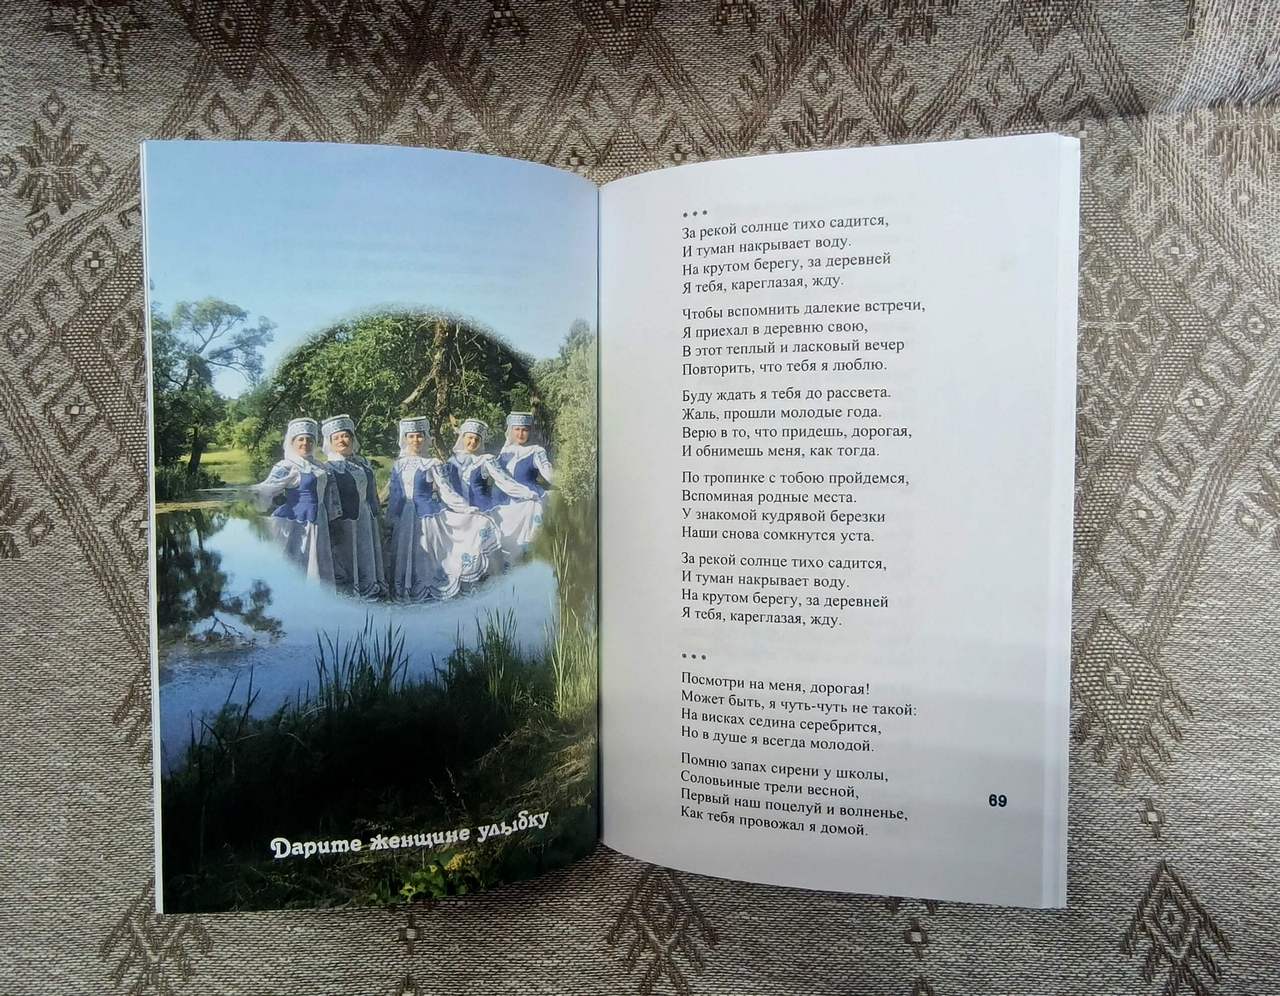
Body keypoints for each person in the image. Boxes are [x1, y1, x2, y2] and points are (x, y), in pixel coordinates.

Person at [251, 417, 338, 584]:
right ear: (292, 442)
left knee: (318, 556)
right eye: (301, 439)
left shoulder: (320, 466)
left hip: (320, 518)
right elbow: (267, 488)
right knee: (299, 556)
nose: (305, 443)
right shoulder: (287, 465)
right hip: (298, 521)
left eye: (310, 440)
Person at [385, 416, 451, 601]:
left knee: (427, 553)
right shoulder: (399, 465)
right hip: (405, 517)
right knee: (405, 552)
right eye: (411, 436)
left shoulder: (433, 463)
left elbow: (446, 490)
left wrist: (464, 510)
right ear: (405, 439)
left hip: (427, 516)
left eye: (419, 436)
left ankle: (428, 591)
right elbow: (395, 494)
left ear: (426, 438)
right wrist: (390, 521)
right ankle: (406, 590)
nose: (416, 440)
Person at [321, 414, 386, 599]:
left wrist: (376, 513)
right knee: (346, 555)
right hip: (344, 520)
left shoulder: (362, 463)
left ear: (352, 438)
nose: (342, 440)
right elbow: (327, 498)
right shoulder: (328, 467)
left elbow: (371, 492)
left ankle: (369, 586)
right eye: (336, 438)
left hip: (366, 517)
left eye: (345, 436)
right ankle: (350, 591)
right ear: (330, 442)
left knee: (366, 552)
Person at [490, 411, 554, 565]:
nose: (520, 434)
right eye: (517, 429)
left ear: (530, 431)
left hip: (528, 501)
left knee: (534, 511)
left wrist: (564, 482)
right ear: (511, 430)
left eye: (524, 430)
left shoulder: (536, 451)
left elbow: (548, 473)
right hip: (503, 500)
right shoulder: (504, 452)